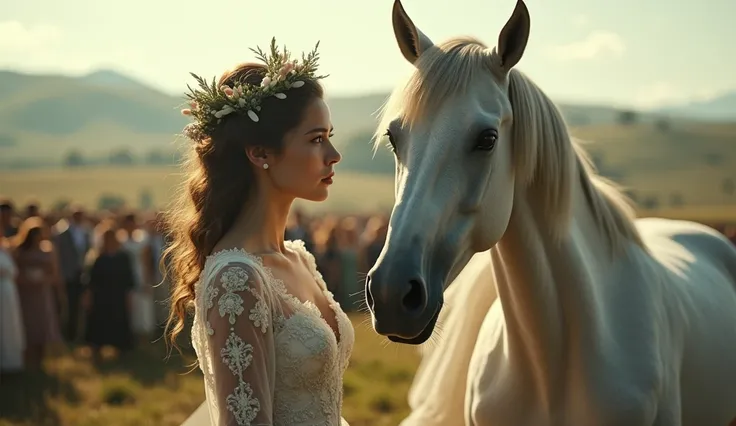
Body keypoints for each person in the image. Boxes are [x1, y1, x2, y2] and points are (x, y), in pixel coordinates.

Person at [165, 38, 354, 426]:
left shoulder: (299, 257)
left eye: (329, 136)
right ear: (260, 153)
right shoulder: (237, 279)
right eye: (317, 139)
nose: (333, 154)